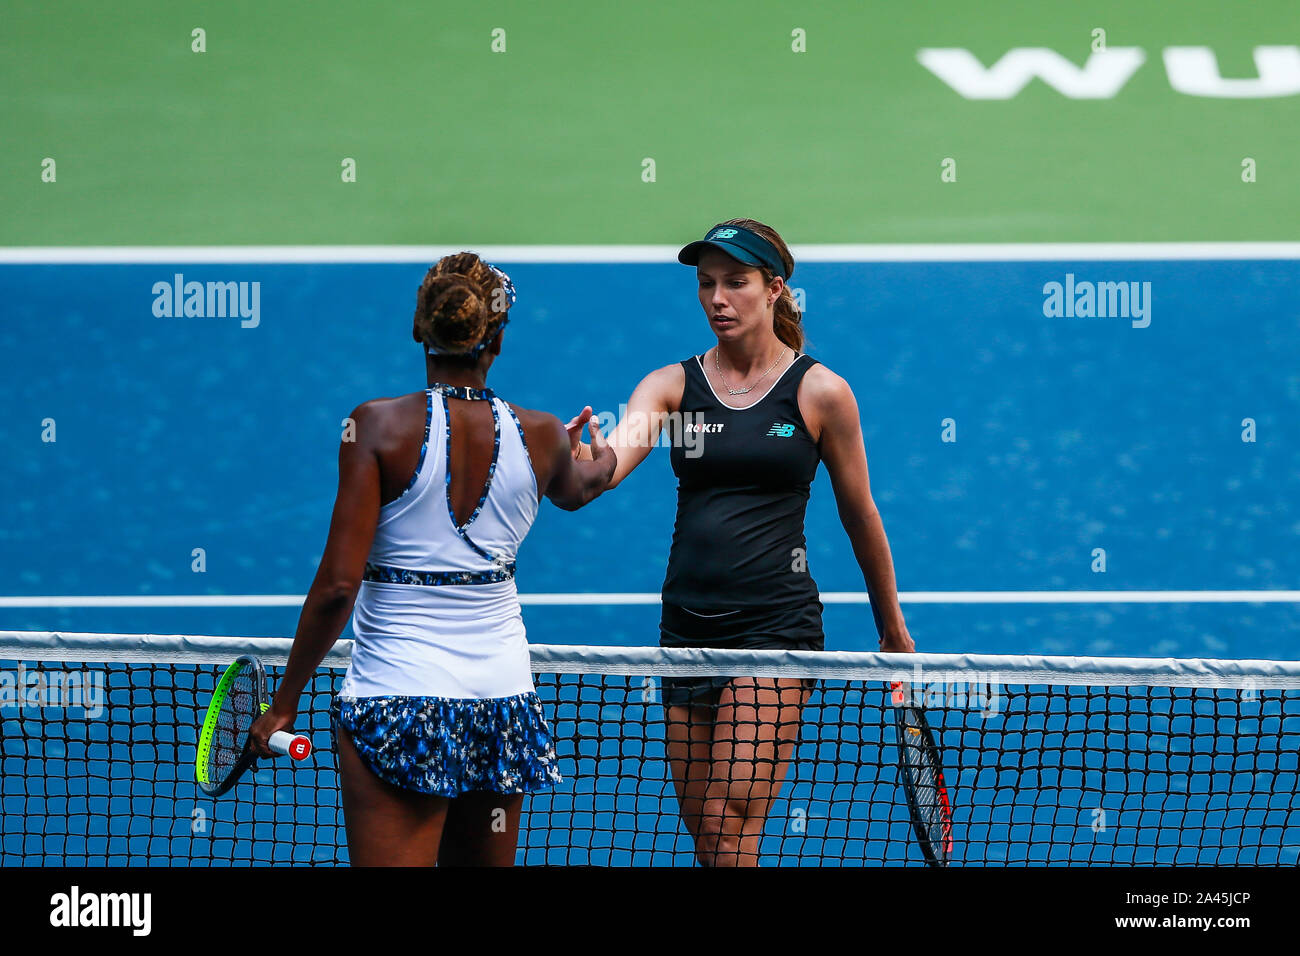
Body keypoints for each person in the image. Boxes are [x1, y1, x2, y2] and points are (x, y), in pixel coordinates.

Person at [565, 219, 915, 866]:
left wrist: (891, 630)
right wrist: (576, 462)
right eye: (706, 284)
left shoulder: (820, 393)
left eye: (735, 283)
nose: (717, 299)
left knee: (727, 825)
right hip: (685, 628)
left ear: (775, 289)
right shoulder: (671, 386)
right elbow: (604, 469)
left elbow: (859, 514)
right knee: (716, 846)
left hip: (774, 629)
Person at [250, 252, 616, 866]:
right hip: (500, 703)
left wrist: (283, 703)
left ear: (419, 329)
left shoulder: (376, 427)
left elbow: (340, 586)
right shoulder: (546, 434)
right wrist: (600, 464)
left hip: (399, 699)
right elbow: (578, 489)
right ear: (496, 336)